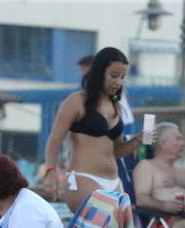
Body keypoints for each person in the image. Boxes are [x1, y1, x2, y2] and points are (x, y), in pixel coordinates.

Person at [42, 47, 142, 213]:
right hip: (84, 178)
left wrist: (138, 140)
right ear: (99, 72)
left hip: (113, 181)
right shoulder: (76, 101)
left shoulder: (116, 107)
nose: (118, 82)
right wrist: (50, 171)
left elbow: (116, 151)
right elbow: (54, 140)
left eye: (123, 77)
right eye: (114, 76)